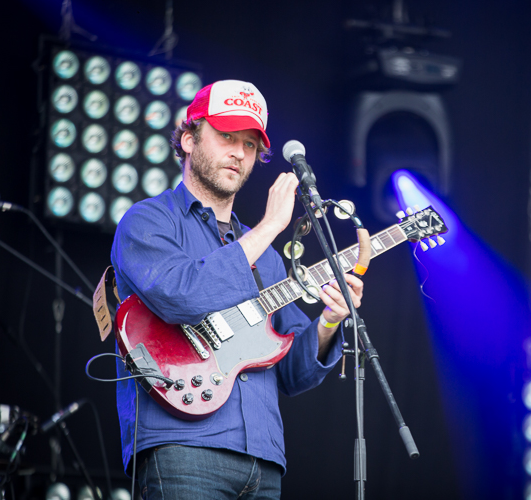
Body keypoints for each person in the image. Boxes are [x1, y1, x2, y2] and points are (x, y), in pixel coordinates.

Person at [110, 79, 363, 499]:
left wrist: (329, 322)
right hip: (182, 448)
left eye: (249, 144)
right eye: (227, 136)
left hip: (264, 458)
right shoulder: (147, 221)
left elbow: (292, 372)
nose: (240, 153)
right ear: (189, 138)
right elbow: (183, 296)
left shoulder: (268, 259)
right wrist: (270, 226)